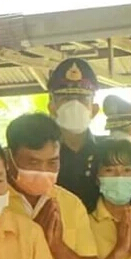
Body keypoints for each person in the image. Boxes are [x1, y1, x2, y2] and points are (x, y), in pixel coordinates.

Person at [4, 114, 101, 259]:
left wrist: (57, 246)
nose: (43, 171)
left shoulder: (71, 204)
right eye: (33, 162)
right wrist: (34, 238)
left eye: (52, 162)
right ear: (9, 157)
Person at [48, 58, 101, 209]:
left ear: (94, 109)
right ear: (52, 107)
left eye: (82, 98)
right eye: (66, 98)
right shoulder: (41, 156)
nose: (74, 104)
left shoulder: (108, 152)